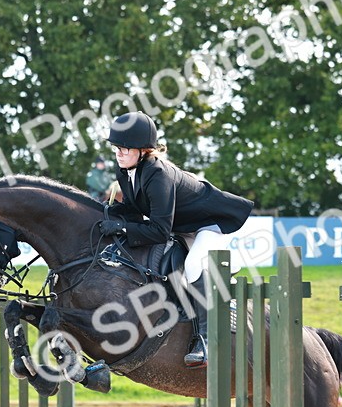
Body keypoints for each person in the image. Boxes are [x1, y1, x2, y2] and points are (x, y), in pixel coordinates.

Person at [100, 111, 254, 369]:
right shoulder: (125, 169)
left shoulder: (159, 175)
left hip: (206, 226)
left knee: (194, 266)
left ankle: (205, 340)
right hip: (178, 226)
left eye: (125, 148)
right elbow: (135, 212)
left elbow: (159, 232)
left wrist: (122, 228)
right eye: (117, 148)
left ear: (143, 150)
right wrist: (107, 213)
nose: (119, 153)